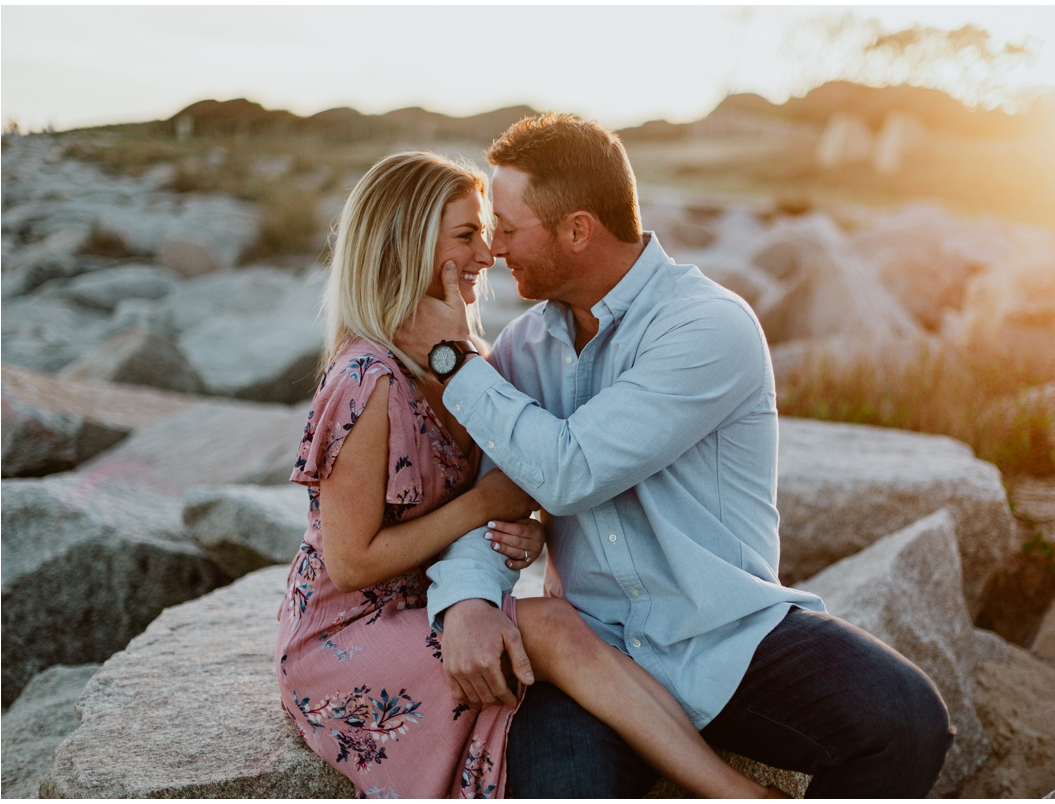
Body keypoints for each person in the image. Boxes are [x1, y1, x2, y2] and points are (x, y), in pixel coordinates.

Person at [396, 114, 957, 798]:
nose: (492, 249)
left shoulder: (706, 325)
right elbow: (484, 503)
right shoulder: (520, 351)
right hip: (590, 655)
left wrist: (454, 360)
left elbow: (570, 472)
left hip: (724, 636)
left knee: (906, 721)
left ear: (578, 230)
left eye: (508, 229)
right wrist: (467, 602)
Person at [274, 150, 787, 798]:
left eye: (488, 233)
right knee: (548, 626)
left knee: (552, 626)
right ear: (408, 244)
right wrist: (482, 505)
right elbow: (350, 564)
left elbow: (526, 488)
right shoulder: (365, 379)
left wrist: (527, 531)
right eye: (467, 236)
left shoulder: (470, 364)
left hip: (421, 607)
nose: (488, 254)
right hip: (341, 639)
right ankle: (733, 793)